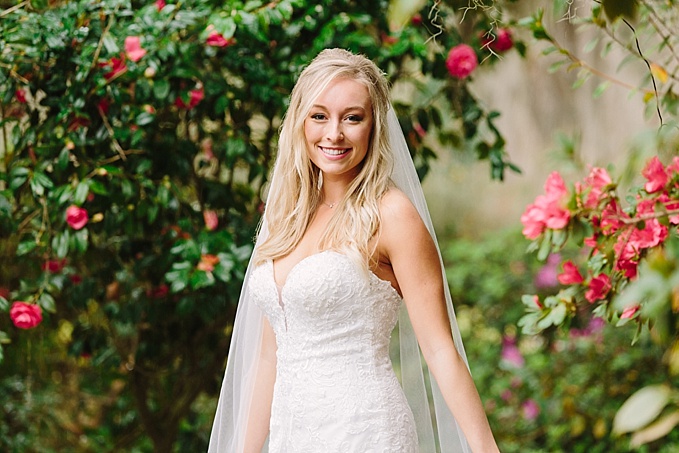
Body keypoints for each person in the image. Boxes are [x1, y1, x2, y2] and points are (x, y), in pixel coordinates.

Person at [208, 48, 500, 453]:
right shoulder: (286, 215)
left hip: (365, 432)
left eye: (352, 117)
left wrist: (486, 449)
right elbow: (267, 359)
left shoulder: (392, 215)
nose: (333, 134)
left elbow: (438, 348)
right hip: (291, 437)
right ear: (300, 122)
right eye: (319, 115)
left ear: (373, 126)